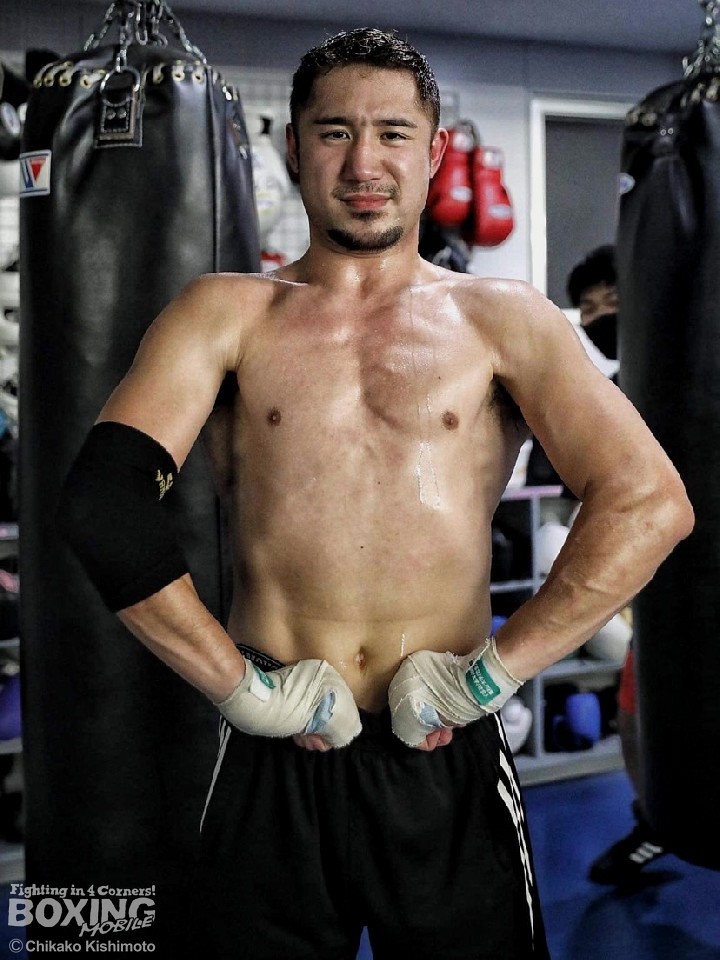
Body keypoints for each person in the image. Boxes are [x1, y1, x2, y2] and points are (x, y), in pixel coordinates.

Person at [57, 28, 694, 960]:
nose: (364, 164)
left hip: (445, 747)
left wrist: (492, 676)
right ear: (293, 148)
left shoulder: (504, 320)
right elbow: (104, 504)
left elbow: (650, 502)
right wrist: (242, 691)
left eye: (393, 133)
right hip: (273, 744)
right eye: (335, 132)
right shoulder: (224, 313)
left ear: (435, 152)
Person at [567, 245, 669, 885]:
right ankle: (656, 821)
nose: (599, 310)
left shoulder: (697, 368)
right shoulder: (614, 392)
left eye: (611, 294)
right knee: (633, 718)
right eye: (587, 304)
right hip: (664, 593)